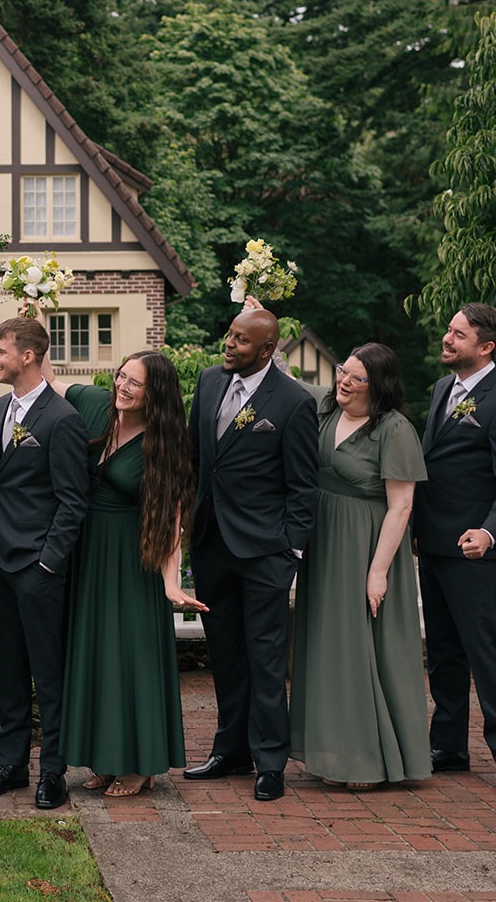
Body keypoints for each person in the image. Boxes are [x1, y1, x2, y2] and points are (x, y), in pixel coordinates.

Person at [47, 350, 203, 798]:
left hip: (132, 562)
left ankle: (139, 765)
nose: (123, 386)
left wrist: (171, 582)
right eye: (121, 376)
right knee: (95, 654)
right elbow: (48, 381)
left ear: (156, 394)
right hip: (89, 555)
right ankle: (105, 758)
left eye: (135, 383)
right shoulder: (97, 405)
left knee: (130, 658)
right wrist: (34, 318)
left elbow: (172, 519)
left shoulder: (164, 442)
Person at [182, 305, 318, 803]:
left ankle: (271, 761)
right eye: (230, 335)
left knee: (265, 659)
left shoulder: (293, 403)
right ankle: (231, 751)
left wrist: (290, 551)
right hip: (212, 543)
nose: (229, 344)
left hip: (264, 553)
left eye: (241, 340)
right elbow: (197, 458)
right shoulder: (209, 382)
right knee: (225, 654)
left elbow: (303, 487)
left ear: (266, 350)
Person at [289, 344, 431, 790]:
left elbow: (402, 505)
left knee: (361, 649)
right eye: (341, 372)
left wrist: (377, 571)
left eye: (355, 377)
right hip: (323, 545)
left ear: (379, 385)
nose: (343, 381)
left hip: (366, 546)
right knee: (328, 647)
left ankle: (368, 760)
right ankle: (332, 751)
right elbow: (280, 379)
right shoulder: (324, 409)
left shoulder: (394, 430)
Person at [412, 303, 496, 798]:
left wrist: (488, 532)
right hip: (433, 542)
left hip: (473, 549)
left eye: (458, 334)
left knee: (484, 652)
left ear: (486, 347)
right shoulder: (442, 389)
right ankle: (448, 748)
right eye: (450, 330)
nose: (447, 338)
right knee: (442, 652)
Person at [0, 316, 89, 811]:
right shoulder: (1, 408)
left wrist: (48, 563)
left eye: (0, 350)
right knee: (11, 669)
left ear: (27, 356)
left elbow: (72, 501)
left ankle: (53, 773)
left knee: (49, 674)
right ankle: (12, 765)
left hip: (38, 569)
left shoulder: (62, 419)